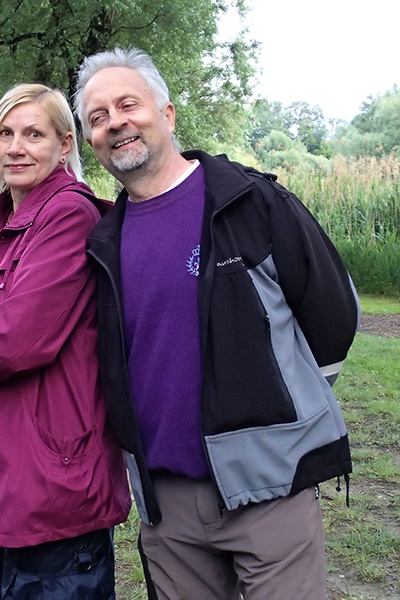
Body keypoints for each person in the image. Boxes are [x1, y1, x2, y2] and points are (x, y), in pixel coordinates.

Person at [73, 47, 361, 600]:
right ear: (90, 140)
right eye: (98, 117)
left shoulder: (251, 203)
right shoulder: (102, 243)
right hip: (168, 510)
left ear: (167, 113)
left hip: (271, 493)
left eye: (128, 105)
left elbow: (334, 314)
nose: (116, 123)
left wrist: (283, 415)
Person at [0, 83, 131, 599]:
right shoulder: (1, 217)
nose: (16, 148)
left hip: (51, 479)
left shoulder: (67, 215)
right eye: (5, 134)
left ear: (64, 145)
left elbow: (14, 341)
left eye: (34, 134)